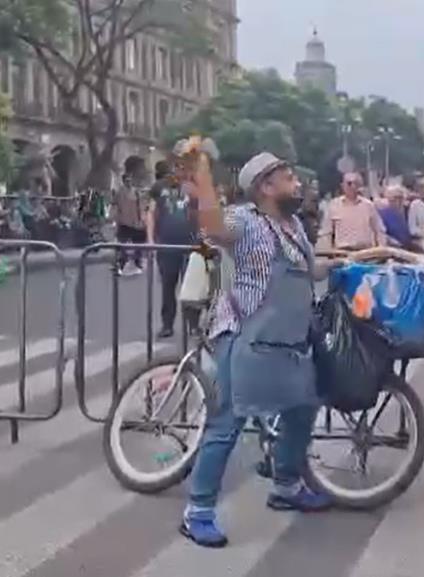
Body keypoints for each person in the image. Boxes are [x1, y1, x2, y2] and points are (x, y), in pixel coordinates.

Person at [180, 150, 334, 548]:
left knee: (304, 406)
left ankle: (286, 484)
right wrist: (203, 176)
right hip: (245, 337)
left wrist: (338, 266)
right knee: (227, 421)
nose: (297, 184)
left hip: (288, 340)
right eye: (289, 177)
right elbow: (212, 228)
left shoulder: (295, 225)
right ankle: (198, 511)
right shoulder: (245, 221)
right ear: (265, 186)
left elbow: (308, 269)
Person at [147, 148, 200, 340]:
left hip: (191, 245)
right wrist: (151, 240)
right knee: (168, 286)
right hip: (166, 245)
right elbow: (152, 213)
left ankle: (193, 325)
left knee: (191, 288)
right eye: (178, 165)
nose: (181, 169)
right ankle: (167, 325)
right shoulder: (159, 187)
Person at [317, 172, 385, 251]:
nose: (352, 186)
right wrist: (327, 253)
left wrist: (381, 250)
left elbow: (379, 230)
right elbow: (326, 232)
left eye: (356, 183)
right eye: (349, 183)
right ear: (342, 186)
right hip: (342, 253)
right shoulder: (334, 205)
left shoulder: (368, 206)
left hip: (365, 253)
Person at [113, 170, 147, 276]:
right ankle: (121, 264)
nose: (129, 182)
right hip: (124, 223)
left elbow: (140, 207)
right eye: (126, 180)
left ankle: (137, 263)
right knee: (122, 245)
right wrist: (115, 221)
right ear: (123, 181)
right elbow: (115, 207)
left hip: (135, 223)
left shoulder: (136, 192)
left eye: (130, 180)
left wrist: (142, 220)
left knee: (138, 245)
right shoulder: (119, 193)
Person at [378, 185, 416, 250]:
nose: (398, 201)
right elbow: (381, 233)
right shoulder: (382, 214)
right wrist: (393, 242)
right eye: (394, 198)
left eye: (400, 197)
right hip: (394, 249)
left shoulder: (409, 210)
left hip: (412, 247)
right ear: (388, 199)